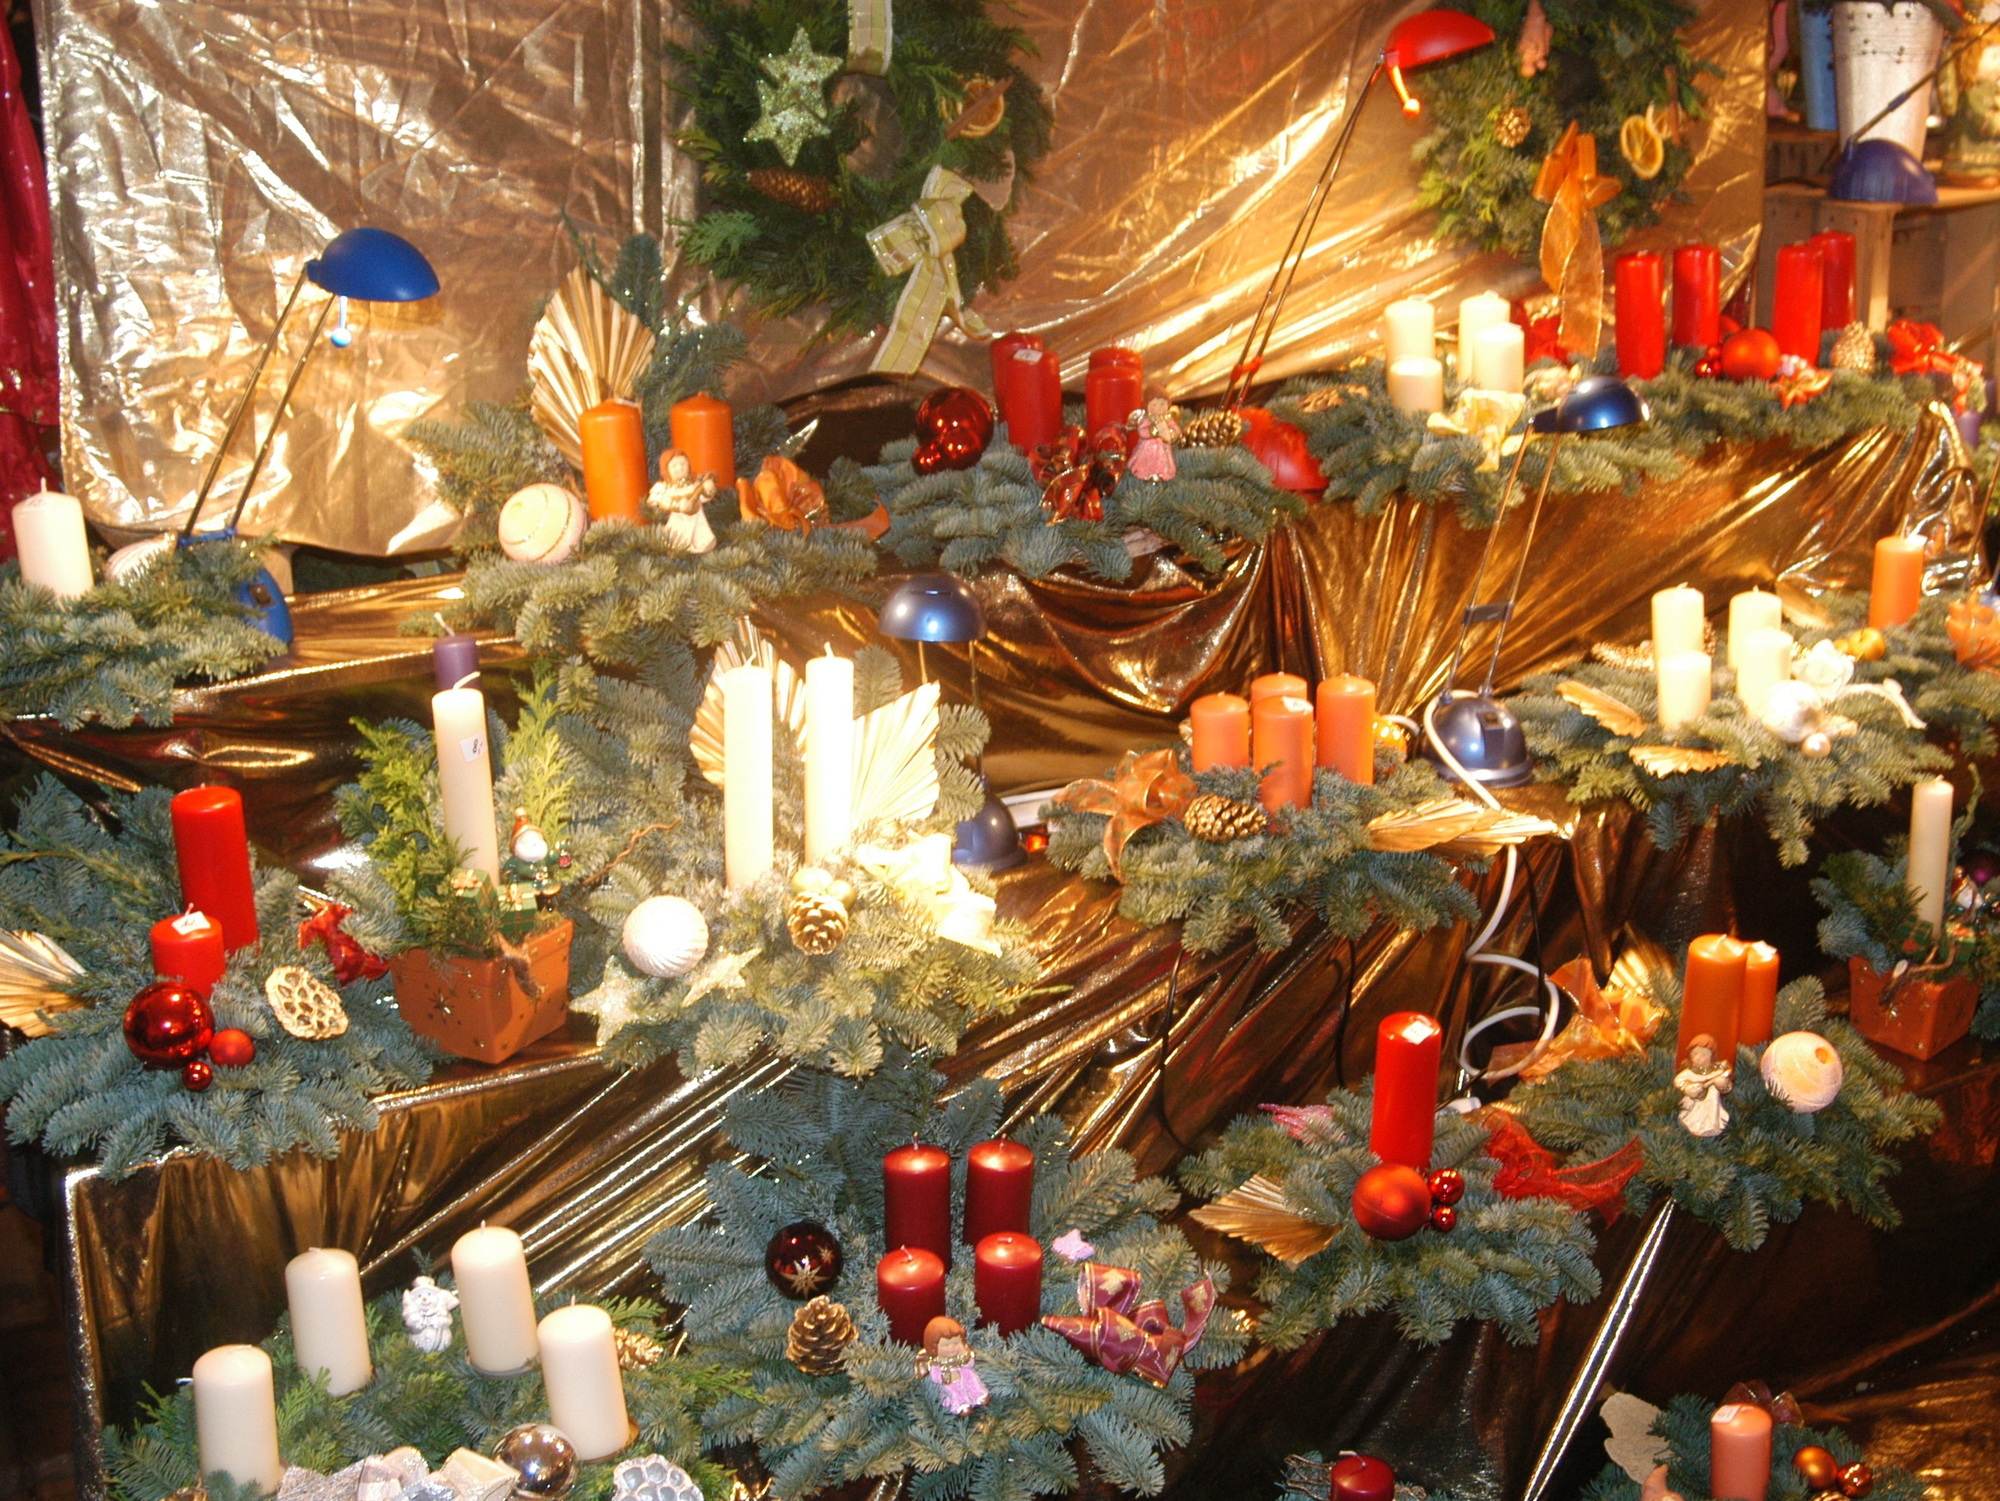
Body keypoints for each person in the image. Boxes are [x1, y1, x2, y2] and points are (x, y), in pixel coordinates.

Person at [1674, 1034, 1732, 1137]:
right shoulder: (1689, 1073)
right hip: (1692, 1105)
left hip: (1712, 1105)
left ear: (1711, 1056)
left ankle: (1711, 1127)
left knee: (1710, 1117)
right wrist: (1686, 1088)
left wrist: (1722, 1083)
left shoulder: (1717, 1072)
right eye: (1695, 1054)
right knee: (1692, 1117)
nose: (1698, 1058)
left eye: (1703, 1055)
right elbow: (1679, 1081)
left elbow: (1726, 1086)